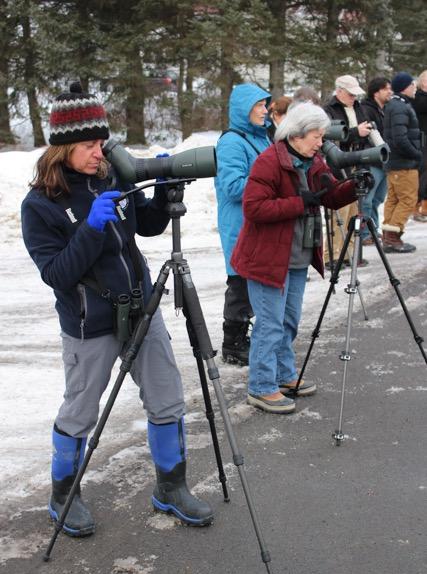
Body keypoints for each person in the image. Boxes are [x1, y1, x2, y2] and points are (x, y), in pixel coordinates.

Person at [21, 82, 213, 537]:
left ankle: (171, 486)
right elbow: (57, 275)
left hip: (142, 309)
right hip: (90, 323)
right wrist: (88, 228)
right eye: (87, 145)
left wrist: (165, 197)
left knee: (167, 399)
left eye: (101, 142)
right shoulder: (41, 204)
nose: (97, 152)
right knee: (81, 410)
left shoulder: (112, 174)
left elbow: (143, 228)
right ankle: (63, 493)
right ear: (62, 147)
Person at [230, 102, 357, 414]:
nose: (320, 142)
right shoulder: (269, 161)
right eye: (316, 136)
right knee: (270, 324)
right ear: (297, 135)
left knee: (288, 321)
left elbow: (329, 195)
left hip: (297, 253)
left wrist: (355, 185)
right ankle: (261, 387)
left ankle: (284, 376)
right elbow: (253, 208)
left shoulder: (313, 161)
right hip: (267, 256)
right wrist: (298, 202)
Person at [215, 83, 271, 366]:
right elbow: (233, 186)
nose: (265, 110)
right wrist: (272, 183)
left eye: (265, 105)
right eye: (259, 105)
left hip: (260, 223)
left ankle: (246, 337)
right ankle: (233, 343)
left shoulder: (263, 138)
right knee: (239, 282)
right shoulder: (232, 142)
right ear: (244, 109)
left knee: (255, 281)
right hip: (239, 224)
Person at [323, 75, 372, 268]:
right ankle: (332, 256)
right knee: (339, 212)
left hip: (357, 160)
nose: (353, 98)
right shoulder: (328, 110)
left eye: (355, 94)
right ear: (340, 91)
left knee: (354, 211)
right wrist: (355, 133)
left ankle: (349, 254)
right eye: (350, 94)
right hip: (338, 164)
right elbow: (329, 136)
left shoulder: (359, 108)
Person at [382, 72, 421, 252]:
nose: (415, 88)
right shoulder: (399, 107)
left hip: (396, 162)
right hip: (403, 162)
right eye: (413, 85)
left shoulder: (396, 105)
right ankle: (392, 237)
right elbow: (400, 138)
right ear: (406, 87)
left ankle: (389, 236)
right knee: (407, 199)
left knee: (394, 199)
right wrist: (416, 154)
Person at [360, 76, 392, 244]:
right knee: (367, 199)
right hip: (372, 160)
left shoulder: (385, 109)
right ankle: (364, 233)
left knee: (378, 199)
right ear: (376, 92)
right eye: (387, 88)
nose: (390, 92)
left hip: (384, 161)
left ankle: (373, 229)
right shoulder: (366, 109)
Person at [413, 69, 427, 222]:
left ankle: (425, 206)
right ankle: (416, 206)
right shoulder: (418, 98)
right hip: (422, 140)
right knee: (422, 173)